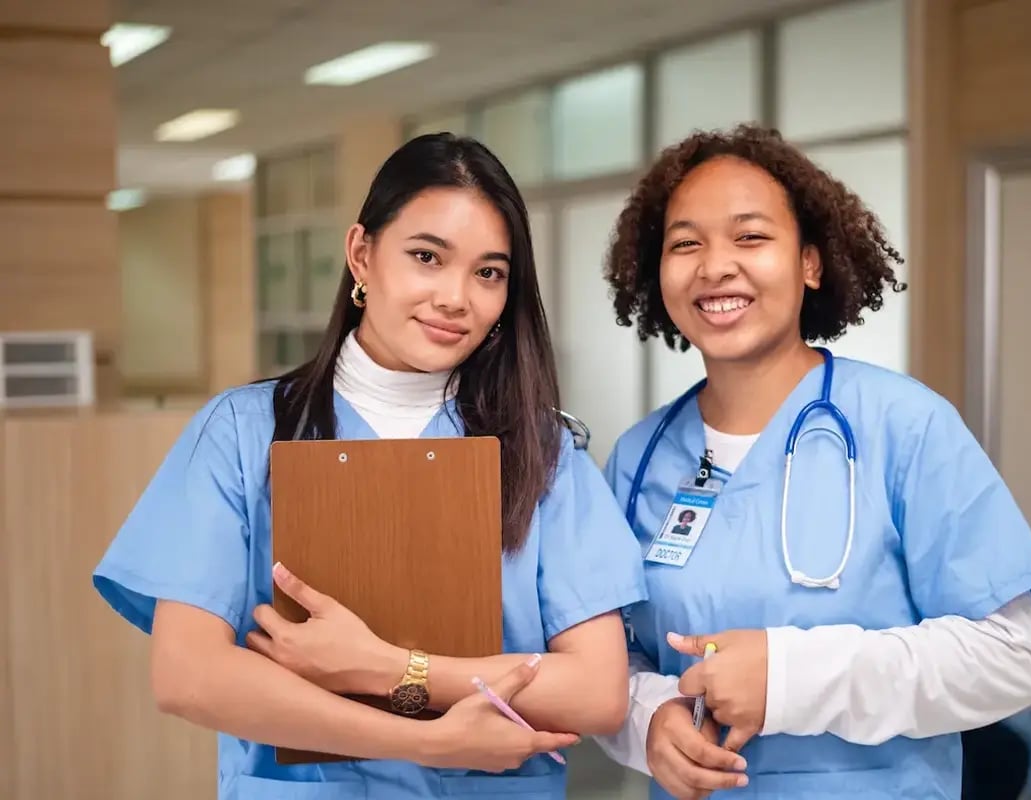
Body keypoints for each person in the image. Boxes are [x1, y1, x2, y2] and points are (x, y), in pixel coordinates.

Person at [92, 133, 648, 799]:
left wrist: (385, 667)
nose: (455, 297)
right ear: (361, 253)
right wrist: (429, 739)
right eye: (426, 257)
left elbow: (595, 692)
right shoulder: (242, 435)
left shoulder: (543, 454)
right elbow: (188, 675)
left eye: (488, 272)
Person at [592, 124, 1031, 799]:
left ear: (810, 263)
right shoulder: (639, 458)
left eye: (750, 237)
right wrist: (647, 719)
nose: (715, 266)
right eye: (685, 243)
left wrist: (790, 677)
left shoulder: (904, 426)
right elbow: (615, 656)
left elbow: (1012, 661)